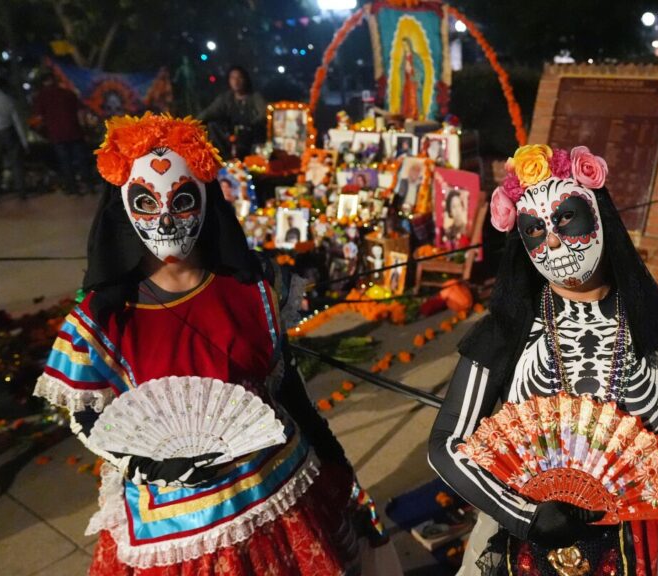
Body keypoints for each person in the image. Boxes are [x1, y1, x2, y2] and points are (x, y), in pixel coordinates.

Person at [33, 113, 400, 575]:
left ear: (206, 197)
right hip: (177, 528)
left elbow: (287, 388)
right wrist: (148, 464)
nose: (166, 218)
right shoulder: (104, 318)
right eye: (145, 202)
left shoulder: (253, 285)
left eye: (182, 199)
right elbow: (89, 416)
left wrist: (336, 463)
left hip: (277, 492)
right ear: (122, 206)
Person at [428, 145, 658, 575]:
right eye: (534, 229)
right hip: (524, 548)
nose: (553, 241)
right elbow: (446, 443)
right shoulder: (506, 333)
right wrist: (524, 516)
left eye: (565, 219)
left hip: (641, 550)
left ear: (599, 218)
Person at [32, 72, 93, 195]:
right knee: (81, 160)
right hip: (74, 131)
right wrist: (86, 129)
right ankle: (89, 185)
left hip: (57, 134)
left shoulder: (41, 97)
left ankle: (72, 187)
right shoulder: (68, 93)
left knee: (65, 162)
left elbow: (38, 118)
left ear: (43, 82)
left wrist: (40, 130)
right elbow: (81, 113)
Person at [198, 66, 267, 160]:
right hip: (231, 135)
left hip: (251, 134)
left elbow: (264, 114)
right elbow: (209, 112)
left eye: (239, 77)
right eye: (233, 78)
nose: (236, 81)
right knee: (212, 125)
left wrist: (249, 125)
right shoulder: (226, 98)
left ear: (245, 79)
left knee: (259, 128)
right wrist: (192, 124)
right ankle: (224, 158)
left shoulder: (255, 97)